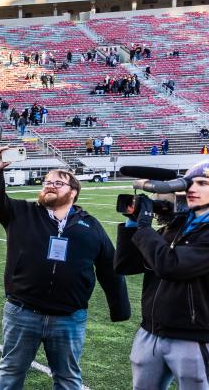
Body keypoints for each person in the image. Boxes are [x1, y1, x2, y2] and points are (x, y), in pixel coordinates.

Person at [0, 146, 130, 390]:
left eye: (58, 183)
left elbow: (109, 268)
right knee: (11, 372)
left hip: (69, 318)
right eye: (46, 182)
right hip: (22, 312)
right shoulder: (22, 212)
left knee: (67, 378)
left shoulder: (90, 225)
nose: (49, 185)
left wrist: (120, 309)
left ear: (73, 192)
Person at [114, 159, 209, 388]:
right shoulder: (177, 224)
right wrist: (132, 222)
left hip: (194, 337)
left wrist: (145, 227)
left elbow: (171, 266)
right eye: (189, 183)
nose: (191, 189)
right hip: (152, 331)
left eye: (203, 183)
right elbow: (127, 265)